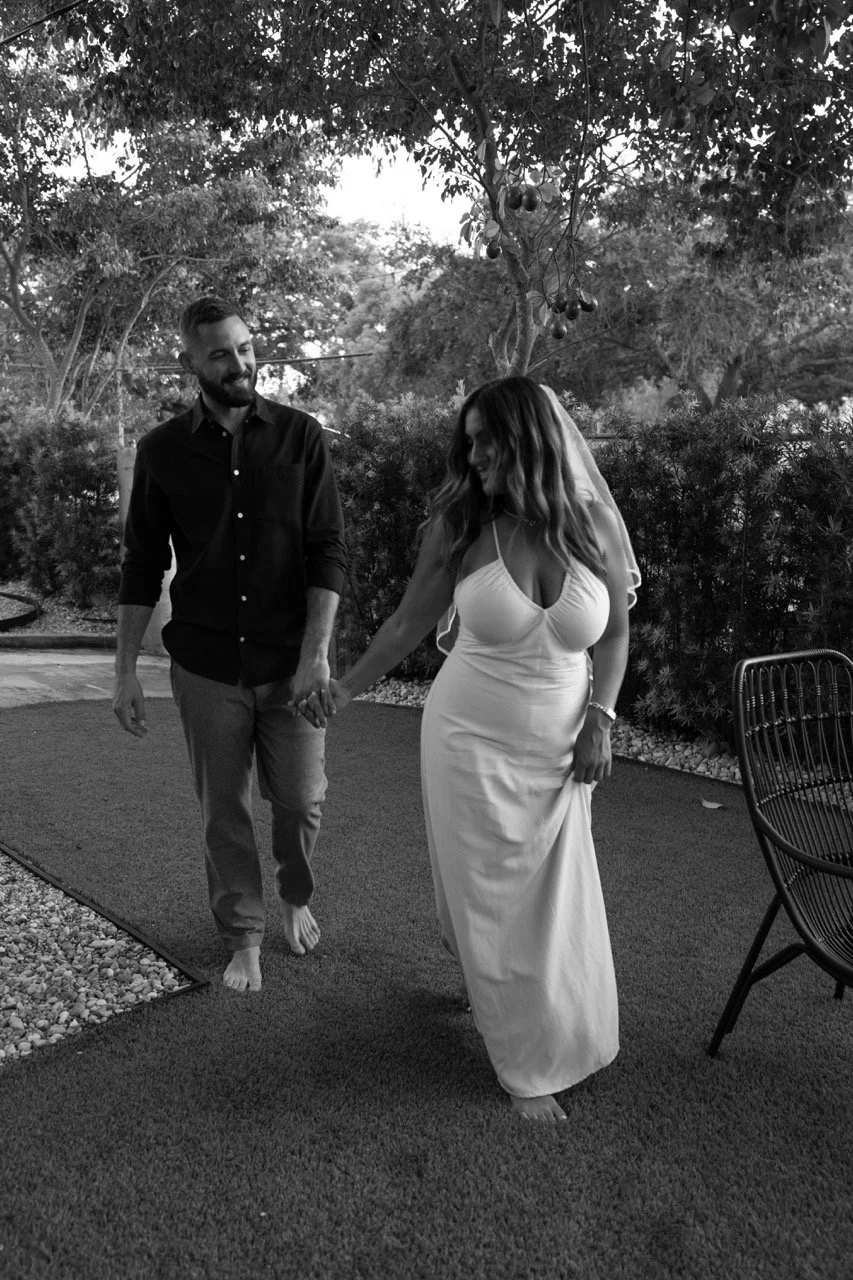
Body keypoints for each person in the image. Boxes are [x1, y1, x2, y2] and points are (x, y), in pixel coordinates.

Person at [297, 376, 638, 1122]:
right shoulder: (461, 525)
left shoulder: (594, 526)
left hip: (562, 743)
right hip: (467, 739)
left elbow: (613, 635)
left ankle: (526, 1003)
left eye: (487, 440)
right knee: (485, 890)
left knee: (552, 893)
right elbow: (405, 625)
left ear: (528, 440)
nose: (473, 454)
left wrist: (602, 719)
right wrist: (343, 689)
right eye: (470, 440)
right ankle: (525, 1068)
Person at [113, 296, 346, 993]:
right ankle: (243, 934)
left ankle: (295, 893)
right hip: (206, 662)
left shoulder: (302, 437)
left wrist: (316, 656)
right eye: (220, 354)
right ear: (190, 361)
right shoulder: (161, 451)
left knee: (301, 800)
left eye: (245, 348)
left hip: (291, 662)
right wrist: (124, 670)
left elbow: (328, 551)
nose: (240, 363)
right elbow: (140, 564)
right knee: (225, 810)